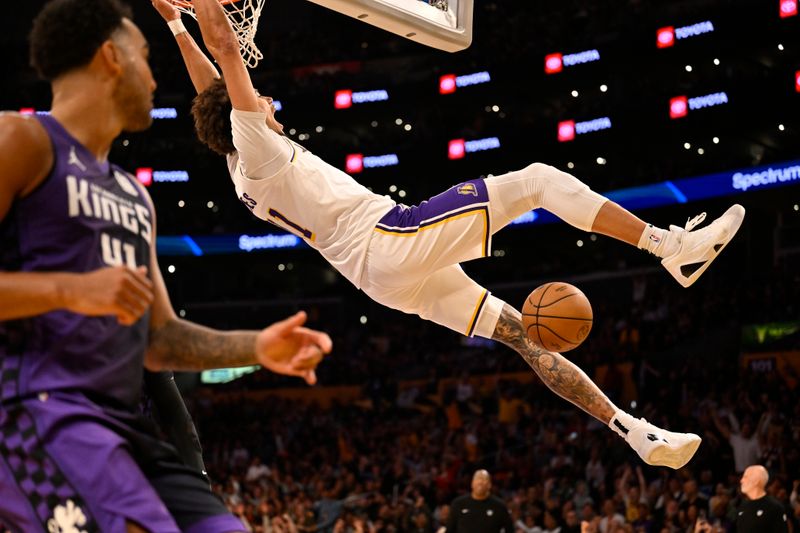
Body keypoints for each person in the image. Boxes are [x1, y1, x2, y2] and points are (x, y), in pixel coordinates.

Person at [155, 0, 747, 469]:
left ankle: (635, 433)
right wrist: (202, 9)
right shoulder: (256, 145)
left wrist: (177, 25)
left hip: (380, 279)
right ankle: (669, 247)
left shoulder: (240, 168)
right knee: (537, 180)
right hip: (387, 238)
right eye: (252, 98)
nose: (261, 93)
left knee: (521, 334)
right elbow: (229, 53)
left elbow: (213, 80)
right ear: (242, 118)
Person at [0, 0, 333, 531]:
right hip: (31, 414)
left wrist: (256, 347)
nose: (155, 80)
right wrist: (68, 290)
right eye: (147, 57)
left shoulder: (134, 197)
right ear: (111, 57)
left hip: (124, 429)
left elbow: (161, 342)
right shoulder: (20, 140)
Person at [445, 470, 514, 533]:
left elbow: (509, 530)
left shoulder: (500, 506)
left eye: (484, 479)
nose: (480, 482)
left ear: (489, 485)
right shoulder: (458, 504)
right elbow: (450, 530)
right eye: (478, 478)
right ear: (472, 483)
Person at [735, 465, 789, 533]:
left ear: (756, 481)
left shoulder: (775, 507)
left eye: (746, 477)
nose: (741, 480)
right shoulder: (742, 507)